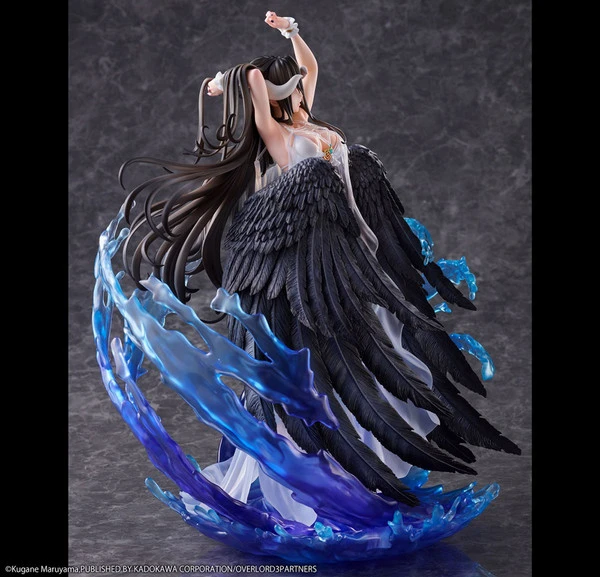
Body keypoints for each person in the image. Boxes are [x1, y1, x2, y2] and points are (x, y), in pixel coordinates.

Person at [119, 11, 520, 526]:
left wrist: (291, 33)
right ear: (274, 97)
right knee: (323, 368)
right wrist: (234, 81)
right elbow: (260, 97)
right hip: (311, 267)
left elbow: (310, 68)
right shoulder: (279, 138)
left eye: (298, 89)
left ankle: (363, 468)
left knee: (383, 347)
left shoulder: (310, 124)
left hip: (350, 254)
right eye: (289, 90)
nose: (300, 93)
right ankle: (316, 477)